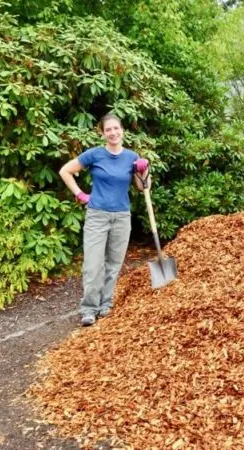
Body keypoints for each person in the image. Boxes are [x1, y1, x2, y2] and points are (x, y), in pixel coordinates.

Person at [59, 113, 149, 326]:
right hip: (97, 215)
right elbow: (65, 171)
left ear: (122, 130)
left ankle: (105, 304)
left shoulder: (131, 157)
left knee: (113, 264)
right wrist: (81, 195)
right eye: (108, 129)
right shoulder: (95, 155)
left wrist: (143, 170)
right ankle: (89, 308)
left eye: (116, 128)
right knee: (92, 264)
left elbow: (142, 187)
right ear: (103, 133)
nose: (113, 133)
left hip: (121, 217)